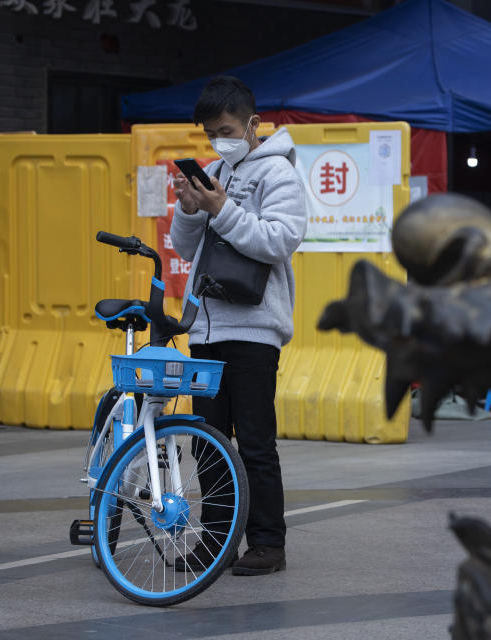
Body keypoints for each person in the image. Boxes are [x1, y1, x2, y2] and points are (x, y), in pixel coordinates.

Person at [170, 75, 306, 576]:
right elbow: (189, 249)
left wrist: (222, 208)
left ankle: (268, 544)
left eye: (226, 129)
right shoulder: (211, 171)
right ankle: (216, 543)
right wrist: (189, 210)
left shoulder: (280, 175)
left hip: (254, 331)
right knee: (208, 441)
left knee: (254, 442)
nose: (218, 141)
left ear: (253, 124)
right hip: (206, 328)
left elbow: (279, 240)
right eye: (210, 133)